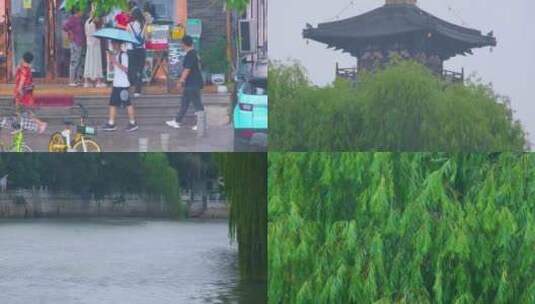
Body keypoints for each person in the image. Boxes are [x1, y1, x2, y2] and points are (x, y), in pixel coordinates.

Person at [166, 35, 204, 131]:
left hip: (193, 83)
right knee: (184, 103)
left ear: (184, 44)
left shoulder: (190, 54)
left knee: (197, 104)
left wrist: (180, 81)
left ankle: (201, 124)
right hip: (191, 83)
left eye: (181, 44)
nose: (181, 46)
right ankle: (177, 121)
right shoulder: (194, 53)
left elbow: (187, 69)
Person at [102, 41, 139, 132]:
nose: (113, 46)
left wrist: (115, 61)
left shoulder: (124, 56)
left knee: (128, 104)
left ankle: (133, 123)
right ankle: (111, 123)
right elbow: (111, 69)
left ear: (119, 45)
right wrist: (111, 61)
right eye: (112, 44)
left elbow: (126, 69)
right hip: (116, 84)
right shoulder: (115, 55)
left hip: (123, 84)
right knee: (112, 104)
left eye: (115, 44)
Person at [14, 52, 47, 134]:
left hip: (23, 93)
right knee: (19, 111)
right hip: (25, 93)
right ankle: (20, 127)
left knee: (26, 111)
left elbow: (22, 80)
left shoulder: (24, 69)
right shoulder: (26, 68)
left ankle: (41, 124)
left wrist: (19, 90)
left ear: (23, 58)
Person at [83, 10, 106, 88]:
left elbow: (86, 33)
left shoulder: (87, 22)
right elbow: (97, 34)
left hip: (89, 44)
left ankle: (87, 81)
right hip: (95, 44)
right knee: (96, 62)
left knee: (88, 62)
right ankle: (98, 82)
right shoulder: (95, 23)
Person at [127, 8, 146, 97]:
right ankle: (138, 90)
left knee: (132, 69)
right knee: (139, 70)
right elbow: (146, 37)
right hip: (141, 49)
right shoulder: (144, 24)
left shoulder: (129, 25)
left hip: (132, 49)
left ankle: (132, 86)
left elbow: (127, 37)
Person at [63, 9, 85, 87]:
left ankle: (78, 80)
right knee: (74, 61)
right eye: (81, 11)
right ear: (77, 11)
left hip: (81, 42)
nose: (82, 12)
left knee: (80, 62)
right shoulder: (72, 19)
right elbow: (65, 27)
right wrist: (70, 32)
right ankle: (71, 80)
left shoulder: (80, 20)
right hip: (75, 42)